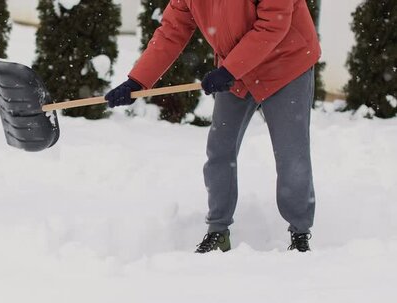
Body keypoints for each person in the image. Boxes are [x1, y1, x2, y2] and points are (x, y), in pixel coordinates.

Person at [105, 0, 320, 253]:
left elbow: (274, 24)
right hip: (236, 70)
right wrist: (137, 81)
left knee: (290, 153)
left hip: (285, 65)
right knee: (220, 151)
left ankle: (300, 232)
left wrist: (229, 69)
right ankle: (218, 230)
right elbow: (172, 31)